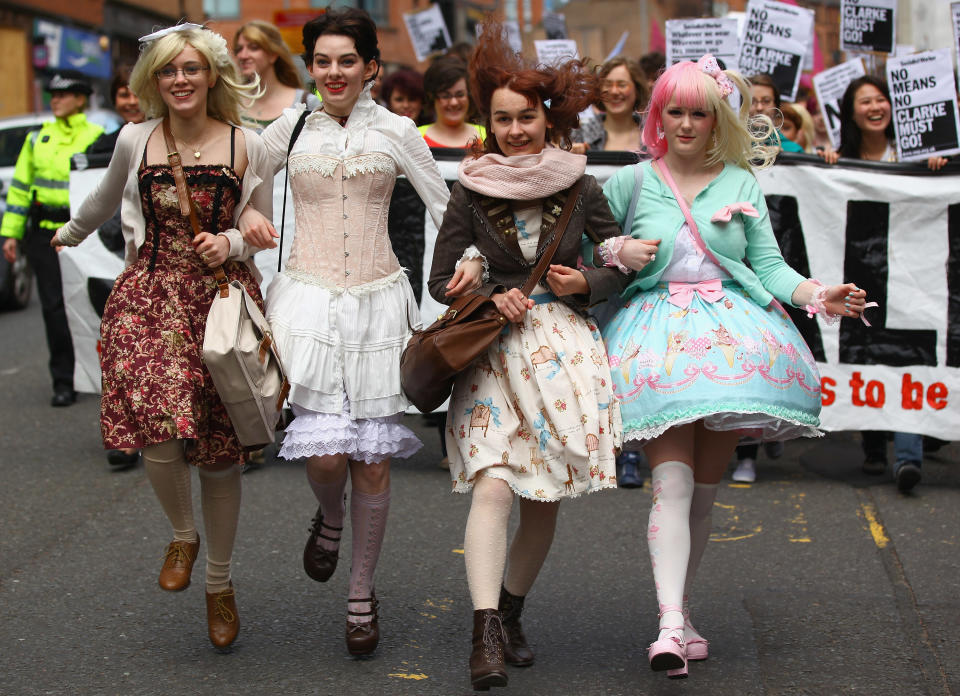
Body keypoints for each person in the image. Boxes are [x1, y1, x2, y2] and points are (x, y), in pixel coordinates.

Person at [590, 56, 869, 678]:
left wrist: (817, 295)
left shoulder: (741, 180)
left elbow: (769, 268)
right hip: (655, 343)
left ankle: (683, 613)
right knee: (672, 483)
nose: (686, 123)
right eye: (675, 111)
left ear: (717, 118)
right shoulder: (629, 184)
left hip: (728, 344)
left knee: (704, 493)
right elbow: (588, 258)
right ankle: (667, 626)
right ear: (656, 115)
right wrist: (617, 249)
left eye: (699, 111)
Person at [238, 7, 451, 657]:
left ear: (370, 69)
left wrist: (456, 272)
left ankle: (361, 593)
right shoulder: (288, 127)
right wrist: (247, 213)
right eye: (322, 61)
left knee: (375, 463)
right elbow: (242, 182)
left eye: (346, 61)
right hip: (304, 301)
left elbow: (447, 204)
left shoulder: (397, 130)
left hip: (380, 305)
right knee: (327, 457)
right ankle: (330, 517)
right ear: (310, 66)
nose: (333, 72)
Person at [52, 23, 272, 649]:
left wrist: (232, 236)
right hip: (150, 294)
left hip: (221, 301)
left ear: (212, 77)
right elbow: (99, 203)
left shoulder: (247, 144)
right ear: (154, 80)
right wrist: (67, 234)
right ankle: (183, 532)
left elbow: (261, 222)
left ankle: (220, 585)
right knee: (158, 418)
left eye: (192, 69)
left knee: (222, 453)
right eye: (169, 70)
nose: (181, 80)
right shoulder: (135, 138)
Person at [427, 22, 627, 691]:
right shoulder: (471, 187)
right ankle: (484, 630)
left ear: (549, 118)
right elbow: (437, 280)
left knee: (543, 497)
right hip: (489, 351)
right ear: (489, 124)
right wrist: (484, 290)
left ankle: (511, 611)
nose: (515, 131)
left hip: (562, 353)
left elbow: (618, 265)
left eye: (526, 118)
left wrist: (585, 282)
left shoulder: (582, 187)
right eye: (502, 120)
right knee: (491, 483)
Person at [819, 75, 943, 492]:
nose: (875, 107)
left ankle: (908, 457)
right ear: (851, 112)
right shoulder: (842, 158)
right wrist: (824, 167)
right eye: (864, 101)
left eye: (881, 99)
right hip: (862, 271)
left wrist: (936, 170)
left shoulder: (919, 154)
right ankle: (874, 444)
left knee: (906, 354)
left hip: (913, 271)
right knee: (862, 351)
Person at [1, 71, 104, 407]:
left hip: (85, 233)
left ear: (80, 99)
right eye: (53, 95)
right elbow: (18, 191)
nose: (55, 100)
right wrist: (11, 234)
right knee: (53, 307)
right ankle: (64, 380)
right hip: (45, 233)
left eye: (64, 94)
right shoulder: (37, 139)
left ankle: (102, 372)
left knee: (91, 304)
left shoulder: (97, 136)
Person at [86, 66, 147, 472]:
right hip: (118, 261)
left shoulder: (184, 134)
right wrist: (73, 235)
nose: (129, 101)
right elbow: (97, 201)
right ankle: (126, 435)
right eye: (121, 93)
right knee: (121, 349)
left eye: (135, 92)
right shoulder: (103, 145)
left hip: (173, 265)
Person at [234, 20, 304, 131]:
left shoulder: (306, 103)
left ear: (273, 54)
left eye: (253, 47)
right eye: (239, 49)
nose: (243, 55)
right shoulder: (230, 105)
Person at [572, 57, 649, 153]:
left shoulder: (653, 136)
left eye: (622, 85)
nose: (614, 91)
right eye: (608, 84)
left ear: (637, 90)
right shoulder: (578, 135)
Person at [418, 55, 486, 147]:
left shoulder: (486, 136)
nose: (454, 102)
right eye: (446, 96)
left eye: (460, 95)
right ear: (432, 97)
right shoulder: (417, 137)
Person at [748, 73, 803, 153]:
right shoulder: (731, 145)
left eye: (766, 101)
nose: (759, 107)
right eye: (752, 101)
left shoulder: (793, 150)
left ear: (776, 107)